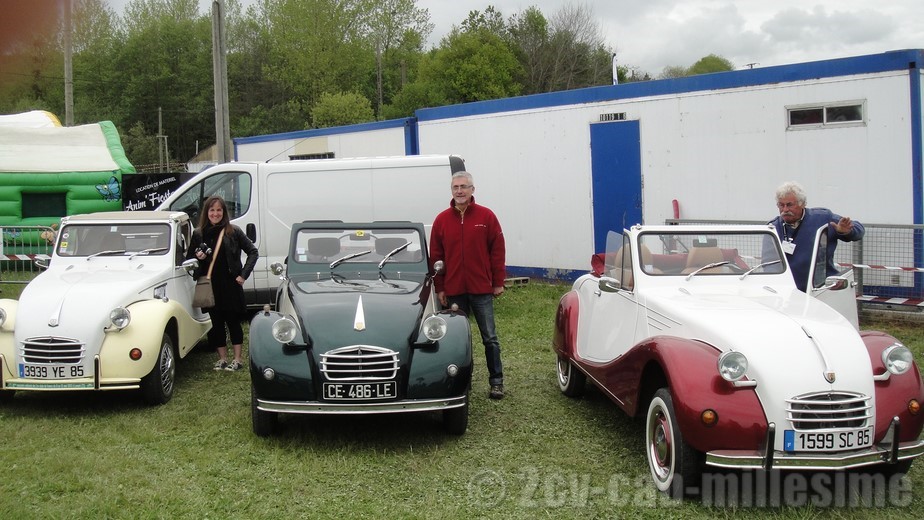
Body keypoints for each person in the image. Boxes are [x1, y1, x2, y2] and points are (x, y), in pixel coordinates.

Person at [430, 171, 507, 399]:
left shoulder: (487, 217)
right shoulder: (441, 220)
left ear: (473, 189)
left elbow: (497, 251)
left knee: (489, 338)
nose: (460, 191)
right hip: (454, 290)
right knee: (455, 340)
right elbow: (436, 257)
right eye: (456, 187)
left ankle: (496, 382)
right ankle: (459, 383)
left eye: (464, 186)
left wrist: (497, 282)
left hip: (481, 289)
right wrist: (440, 287)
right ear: (451, 190)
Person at [187, 196, 259, 371]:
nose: (215, 214)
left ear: (224, 213)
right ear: (207, 213)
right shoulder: (198, 234)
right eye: (212, 210)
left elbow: (253, 252)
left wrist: (243, 275)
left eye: (219, 210)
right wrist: (198, 258)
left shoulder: (233, 231)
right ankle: (222, 358)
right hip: (210, 284)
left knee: (233, 321)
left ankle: (237, 359)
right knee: (216, 322)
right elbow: (189, 260)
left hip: (230, 283)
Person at [769, 181, 864, 292]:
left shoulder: (822, 218)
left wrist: (846, 231)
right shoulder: (773, 228)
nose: (785, 210)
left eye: (789, 205)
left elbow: (859, 230)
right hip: (789, 291)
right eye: (781, 205)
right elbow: (769, 264)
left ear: (802, 203)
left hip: (822, 289)